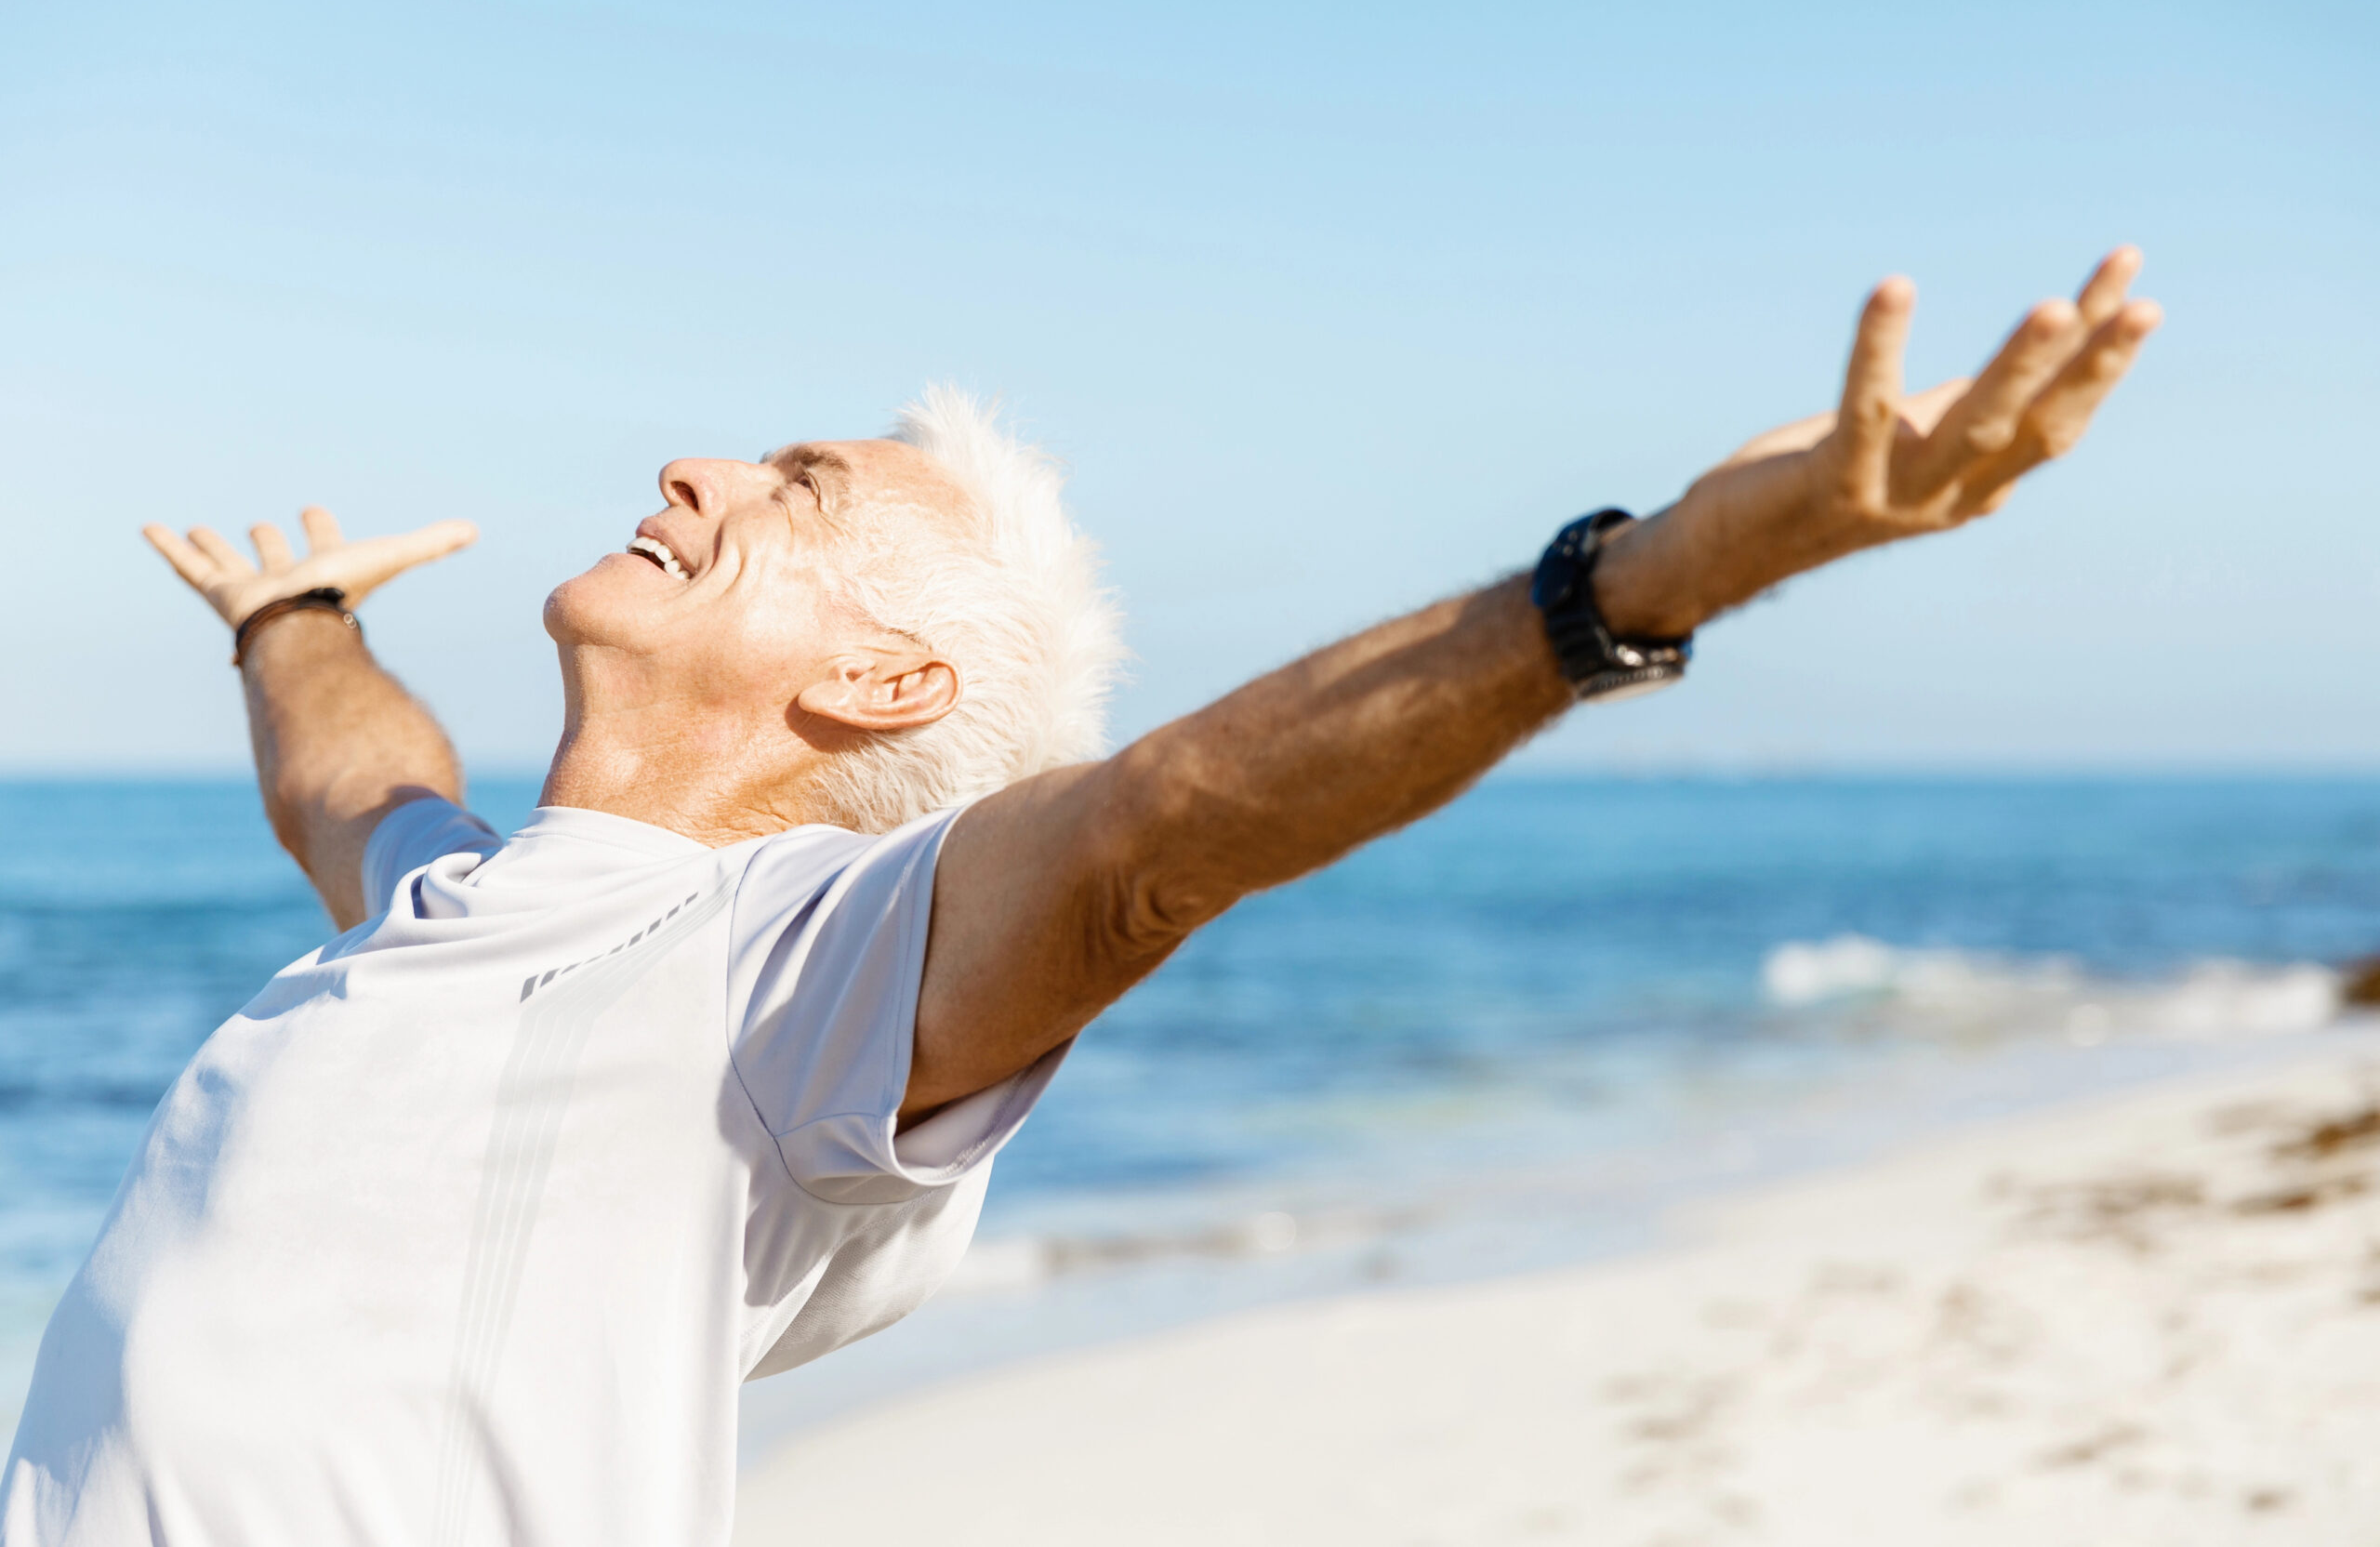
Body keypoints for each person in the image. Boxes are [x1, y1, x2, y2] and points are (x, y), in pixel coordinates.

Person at [0, 252, 2159, 1545]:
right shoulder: (456, 905)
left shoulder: (789, 970)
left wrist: (1638, 581)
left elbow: (1153, 832)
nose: (691, 469)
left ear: (884, 683)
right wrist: (287, 616)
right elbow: (351, 778)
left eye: (793, 487)